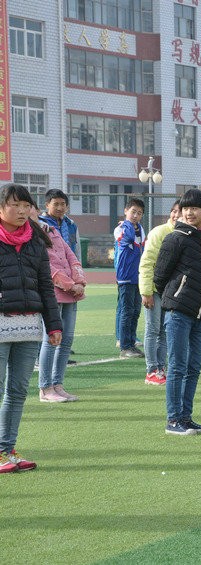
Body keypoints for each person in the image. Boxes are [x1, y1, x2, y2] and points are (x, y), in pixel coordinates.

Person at [0, 183, 62, 472]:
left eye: (26, 206)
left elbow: (45, 286)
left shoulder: (35, 240)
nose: (22, 211)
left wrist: (54, 324)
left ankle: (6, 450)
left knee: (17, 390)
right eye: (15, 205)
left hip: (28, 326)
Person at [153, 189, 201, 436]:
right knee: (177, 367)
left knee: (194, 368)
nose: (189, 213)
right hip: (179, 312)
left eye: (195, 208)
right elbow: (160, 276)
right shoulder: (175, 238)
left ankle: (186, 417)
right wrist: (176, 297)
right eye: (185, 208)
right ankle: (173, 420)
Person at [36, 208, 86, 403]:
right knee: (51, 339)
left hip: (71, 293)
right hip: (53, 293)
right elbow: (46, 266)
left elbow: (70, 255)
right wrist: (70, 284)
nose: (25, 210)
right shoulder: (31, 234)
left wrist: (79, 281)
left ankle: (57, 385)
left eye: (28, 206)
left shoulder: (52, 230)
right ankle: (45, 387)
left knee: (66, 340)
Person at [139, 200, 180, 386]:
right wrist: (146, 291)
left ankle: (161, 368)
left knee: (164, 331)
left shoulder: (185, 234)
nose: (176, 215)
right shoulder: (159, 232)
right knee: (152, 329)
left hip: (170, 291)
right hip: (154, 290)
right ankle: (151, 370)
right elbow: (147, 262)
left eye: (180, 212)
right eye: (174, 211)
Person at [114, 198, 146, 358]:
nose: (135, 216)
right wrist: (127, 224)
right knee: (127, 311)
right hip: (126, 275)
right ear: (126, 211)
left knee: (135, 311)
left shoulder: (141, 229)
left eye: (139, 213)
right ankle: (125, 346)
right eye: (133, 212)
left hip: (138, 275)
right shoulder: (121, 228)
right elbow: (127, 239)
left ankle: (131, 343)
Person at [39, 188, 80, 259]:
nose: (59, 208)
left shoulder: (71, 225)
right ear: (47, 205)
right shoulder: (40, 224)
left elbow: (77, 250)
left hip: (70, 264)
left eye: (63, 204)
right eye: (56, 204)